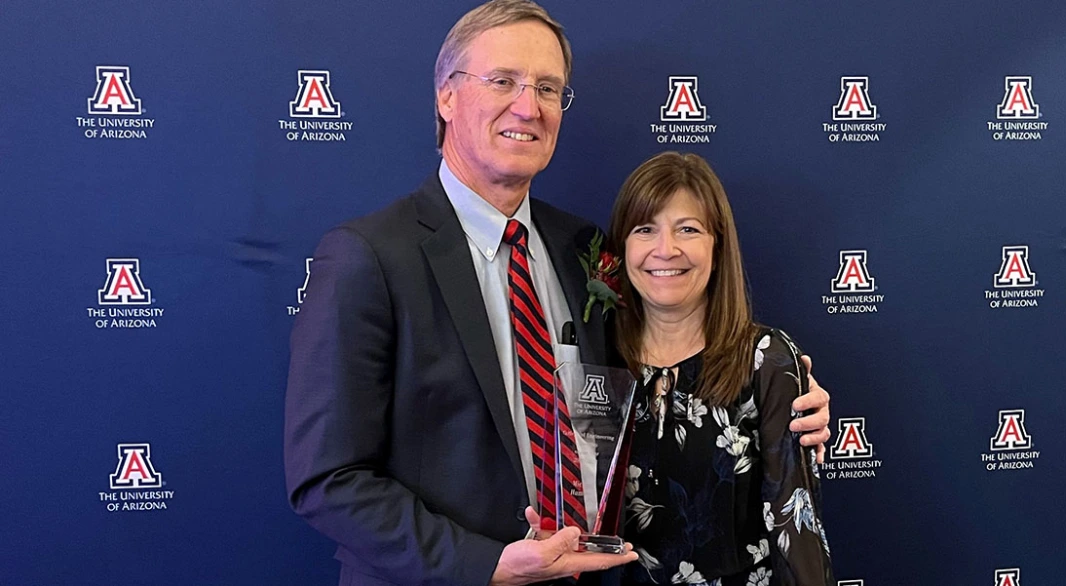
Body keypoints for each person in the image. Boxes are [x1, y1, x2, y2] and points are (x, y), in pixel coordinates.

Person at [283, 2, 832, 585]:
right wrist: (487, 564)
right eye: (504, 81)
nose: (528, 106)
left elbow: (658, 369)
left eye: (548, 88)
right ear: (446, 96)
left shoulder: (585, 248)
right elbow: (328, 479)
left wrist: (784, 396)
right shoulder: (368, 256)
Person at [608, 152, 835, 585]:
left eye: (688, 229)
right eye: (645, 229)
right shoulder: (596, 360)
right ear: (622, 245)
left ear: (718, 243)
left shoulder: (766, 360)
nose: (665, 249)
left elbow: (796, 528)